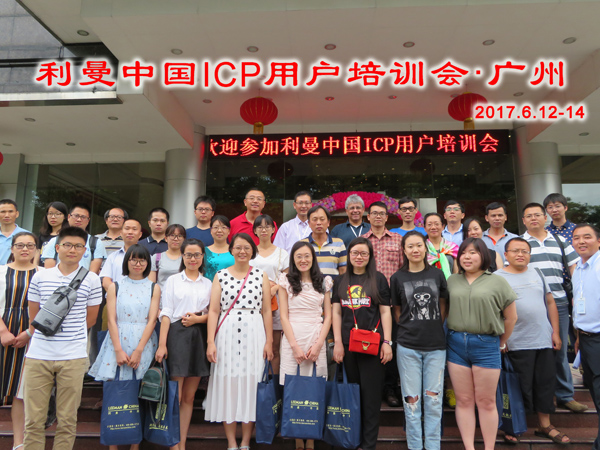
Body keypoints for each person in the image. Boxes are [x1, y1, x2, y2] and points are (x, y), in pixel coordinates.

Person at [23, 226, 102, 450]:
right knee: (34, 420)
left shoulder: (92, 279)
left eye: (78, 246)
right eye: (67, 245)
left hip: (73, 356)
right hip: (39, 355)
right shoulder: (41, 276)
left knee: (67, 420)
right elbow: (34, 316)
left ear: (84, 251)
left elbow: (91, 319)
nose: (72, 250)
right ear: (57, 248)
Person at [446, 237, 518, 450]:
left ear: (483, 255)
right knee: (464, 400)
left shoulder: (497, 281)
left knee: (486, 401)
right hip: (456, 344)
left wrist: (501, 342)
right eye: (463, 253)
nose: (467, 257)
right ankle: (469, 447)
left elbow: (511, 317)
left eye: (473, 252)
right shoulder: (452, 281)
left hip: (486, 344)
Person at [495, 237, 569, 444]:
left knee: (545, 383)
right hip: (515, 342)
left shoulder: (537, 272)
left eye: (525, 251)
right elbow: (495, 311)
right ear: (506, 254)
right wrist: (502, 339)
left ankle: (545, 425)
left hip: (543, 339)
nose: (520, 254)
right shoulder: (497, 277)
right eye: (515, 251)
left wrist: (555, 332)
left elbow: (550, 302)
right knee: (518, 386)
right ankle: (512, 425)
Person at [204, 233, 273, 450]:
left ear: (253, 251)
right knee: (228, 382)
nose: (242, 251)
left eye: (246, 248)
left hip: (254, 331)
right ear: (231, 250)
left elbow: (267, 310)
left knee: (252, 383)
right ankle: (232, 442)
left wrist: (269, 341)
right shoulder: (221, 275)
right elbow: (213, 310)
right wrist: (210, 341)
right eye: (238, 247)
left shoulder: (261, 275)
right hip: (227, 332)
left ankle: (245, 442)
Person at [89, 245, 159, 450]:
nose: (138, 264)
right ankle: (113, 444)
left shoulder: (154, 287)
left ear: (148, 263)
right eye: (133, 259)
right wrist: (118, 349)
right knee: (116, 393)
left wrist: (138, 350)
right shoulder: (115, 286)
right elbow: (111, 319)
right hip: (117, 341)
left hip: (144, 342)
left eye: (142, 260)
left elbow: (152, 320)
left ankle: (135, 445)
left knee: (139, 393)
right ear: (126, 261)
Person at [521, 202, 587, 413]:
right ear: (523, 220)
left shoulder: (560, 241)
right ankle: (538, 398)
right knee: (533, 351)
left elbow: (574, 269)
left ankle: (565, 395)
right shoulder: (520, 243)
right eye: (529, 216)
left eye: (537, 215)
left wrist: (578, 296)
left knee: (559, 349)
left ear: (545, 218)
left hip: (558, 302)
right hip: (531, 305)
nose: (533, 218)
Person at [332, 237, 393, 450]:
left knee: (371, 398)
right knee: (353, 397)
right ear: (348, 256)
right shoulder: (341, 281)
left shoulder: (378, 279)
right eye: (355, 253)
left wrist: (387, 342)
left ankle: (368, 445)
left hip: (373, 346)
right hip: (348, 346)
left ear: (370, 256)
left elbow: (385, 312)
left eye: (364, 253)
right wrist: (337, 343)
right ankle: (353, 440)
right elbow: (336, 313)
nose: (359, 257)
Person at [391, 230, 448, 450]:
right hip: (408, 346)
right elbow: (397, 311)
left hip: (436, 346)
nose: (415, 250)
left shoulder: (437, 274)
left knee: (434, 401)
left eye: (419, 245)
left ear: (426, 248)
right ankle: (415, 446)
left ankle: (432, 446)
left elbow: (443, 305)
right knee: (411, 401)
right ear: (404, 251)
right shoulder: (397, 278)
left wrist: (432, 324)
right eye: (410, 246)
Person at [156, 238, 212, 450]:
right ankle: (173, 444)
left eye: (197, 255)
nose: (193, 259)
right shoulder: (173, 281)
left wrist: (198, 319)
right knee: (176, 396)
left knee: (189, 397)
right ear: (182, 256)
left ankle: (183, 443)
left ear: (202, 257)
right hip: (177, 335)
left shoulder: (208, 283)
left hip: (199, 336)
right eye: (189, 255)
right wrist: (162, 344)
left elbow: (213, 314)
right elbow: (167, 312)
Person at [278, 241, 332, 450]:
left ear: (313, 258)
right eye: (298, 256)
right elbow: (283, 316)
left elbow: (327, 317)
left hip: (316, 336)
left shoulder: (324, 282)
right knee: (293, 388)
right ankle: (297, 438)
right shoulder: (285, 281)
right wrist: (294, 347)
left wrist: (318, 345)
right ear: (293, 259)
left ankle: (311, 438)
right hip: (292, 338)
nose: (303, 260)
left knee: (315, 388)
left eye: (307, 256)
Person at [0, 232, 40, 450]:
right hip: (3, 329)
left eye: (30, 246)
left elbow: (47, 308)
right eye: (20, 245)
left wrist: (29, 332)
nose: (25, 249)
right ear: (12, 248)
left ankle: (19, 443)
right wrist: (3, 331)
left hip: (32, 335)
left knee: (21, 391)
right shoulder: (1, 271)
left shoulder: (43, 274)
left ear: (36, 250)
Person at [362, 201, 403, 407]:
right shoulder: (362, 241)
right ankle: (372, 388)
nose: (378, 216)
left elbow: (404, 270)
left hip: (393, 303)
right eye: (374, 213)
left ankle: (390, 388)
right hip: (367, 303)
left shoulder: (398, 239)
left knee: (391, 344)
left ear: (387, 217)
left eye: (382, 213)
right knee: (369, 345)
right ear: (368, 217)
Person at [572, 224, 600, 450]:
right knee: (595, 393)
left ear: (598, 241)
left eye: (587, 237)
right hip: (586, 339)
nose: (581, 241)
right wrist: (579, 336)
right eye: (576, 238)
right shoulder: (578, 268)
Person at [251, 215, 289, 374]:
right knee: (254, 344)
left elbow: (287, 278)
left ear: (273, 230)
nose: (264, 230)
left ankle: (273, 383)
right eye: (260, 227)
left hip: (276, 302)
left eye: (267, 226)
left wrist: (275, 288)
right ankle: (256, 380)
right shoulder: (249, 251)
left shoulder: (282, 253)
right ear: (255, 231)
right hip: (252, 301)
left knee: (274, 346)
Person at [41, 203, 107, 274]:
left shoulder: (96, 243)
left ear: (88, 221)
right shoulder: (54, 241)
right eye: (76, 216)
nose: (79, 219)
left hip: (84, 280)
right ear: (68, 217)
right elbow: (49, 272)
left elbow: (93, 273)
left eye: (83, 217)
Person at [301, 205, 347, 279]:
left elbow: (343, 271)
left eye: (322, 219)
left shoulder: (339, 243)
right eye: (315, 219)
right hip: (309, 286)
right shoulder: (302, 245)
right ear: (309, 223)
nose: (318, 223)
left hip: (333, 286)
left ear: (328, 222)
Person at [99, 219, 144, 290]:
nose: (130, 232)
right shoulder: (112, 257)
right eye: (127, 229)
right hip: (114, 295)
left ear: (140, 234)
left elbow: (149, 283)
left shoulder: (147, 257)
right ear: (121, 233)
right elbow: (106, 281)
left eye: (134, 229)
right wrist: (120, 293)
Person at [149, 224, 186, 290]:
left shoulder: (187, 258)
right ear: (166, 238)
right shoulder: (157, 258)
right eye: (172, 235)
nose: (176, 239)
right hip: (161, 294)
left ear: (184, 239)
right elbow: (151, 283)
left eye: (180, 236)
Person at [424, 212, 458, 279]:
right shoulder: (422, 248)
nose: (433, 227)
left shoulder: (452, 247)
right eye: (429, 224)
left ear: (443, 227)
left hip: (450, 283)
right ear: (425, 228)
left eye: (437, 224)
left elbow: (456, 272)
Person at [205, 215, 235, 282]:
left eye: (223, 227)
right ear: (211, 230)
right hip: (208, 287)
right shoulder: (203, 251)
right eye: (216, 227)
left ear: (229, 231)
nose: (219, 230)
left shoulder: (235, 251)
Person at [0, 199, 30, 265]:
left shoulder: (27, 235)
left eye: (10, 211)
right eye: (3, 212)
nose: (7, 215)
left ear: (17, 214)